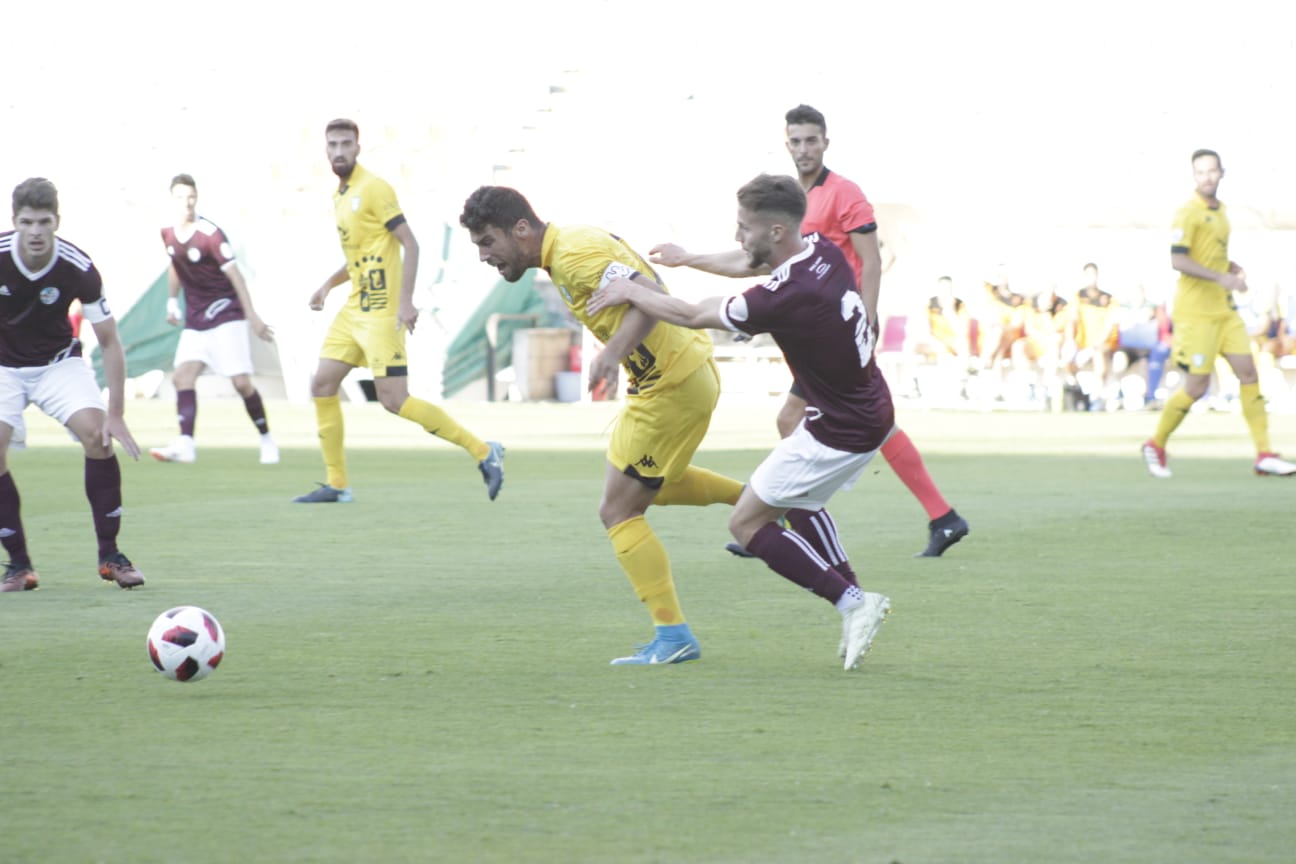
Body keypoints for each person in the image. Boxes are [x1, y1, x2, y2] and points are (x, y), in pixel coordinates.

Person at [588, 174, 892, 670]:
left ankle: (853, 602)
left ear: (775, 230)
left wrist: (631, 290)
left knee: (748, 523)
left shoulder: (787, 295)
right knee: (801, 502)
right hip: (865, 409)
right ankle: (854, 602)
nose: (737, 235)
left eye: (743, 226)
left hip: (840, 428)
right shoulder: (819, 250)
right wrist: (688, 259)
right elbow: (742, 264)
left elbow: (688, 315)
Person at [649, 104, 968, 556]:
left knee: (834, 420)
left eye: (811, 140)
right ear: (786, 144)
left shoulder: (844, 194)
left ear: (825, 142)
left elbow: (871, 260)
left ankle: (786, 515)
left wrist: (868, 319)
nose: (803, 149)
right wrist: (688, 258)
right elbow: (750, 262)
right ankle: (941, 516)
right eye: (795, 141)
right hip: (808, 328)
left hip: (837, 329)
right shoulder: (786, 202)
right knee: (846, 421)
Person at [459, 185, 744, 666]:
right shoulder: (569, 245)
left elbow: (648, 295)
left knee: (618, 510)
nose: (485, 256)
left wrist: (611, 355)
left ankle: (673, 635)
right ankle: (764, 505)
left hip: (670, 384)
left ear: (522, 229)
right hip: (675, 375)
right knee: (654, 486)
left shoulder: (573, 255)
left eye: (488, 242)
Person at [296, 119, 504, 503]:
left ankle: (483, 451)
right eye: (332, 145)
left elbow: (411, 243)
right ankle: (337, 484)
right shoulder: (340, 196)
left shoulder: (374, 188)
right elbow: (359, 257)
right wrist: (327, 285)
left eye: (345, 143)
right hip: (353, 307)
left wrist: (406, 302)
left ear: (358, 148)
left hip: (381, 313)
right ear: (325, 151)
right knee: (322, 385)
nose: (339, 151)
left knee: (394, 400)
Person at [0, 178, 145, 592]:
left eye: (44, 222)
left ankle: (110, 556)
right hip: (3, 366)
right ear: (15, 222)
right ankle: (19, 566)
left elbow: (110, 340)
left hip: (57, 365)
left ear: (56, 222)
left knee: (98, 438)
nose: (36, 232)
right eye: (27, 222)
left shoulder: (77, 267)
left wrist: (115, 414)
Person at [1141, 149, 1296, 478]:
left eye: (1212, 171)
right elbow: (1178, 260)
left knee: (1249, 374)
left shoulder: (1222, 211)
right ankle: (1156, 443)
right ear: (1194, 176)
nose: (1207, 177)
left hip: (1224, 311)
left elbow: (1210, 256)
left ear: (1221, 172)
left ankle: (1264, 453)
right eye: (1200, 172)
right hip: (1195, 314)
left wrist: (1229, 267)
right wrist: (1220, 277)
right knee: (1196, 387)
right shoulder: (1187, 214)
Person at [149, 173, 279, 465]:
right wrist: (172, 301)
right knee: (182, 376)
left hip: (226, 315)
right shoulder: (167, 231)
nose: (187, 203)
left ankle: (267, 439)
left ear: (197, 198)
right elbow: (175, 264)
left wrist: (253, 317)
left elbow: (236, 277)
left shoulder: (210, 234)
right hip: (196, 320)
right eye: (181, 197)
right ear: (172, 200)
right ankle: (186, 444)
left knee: (241, 383)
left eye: (191, 197)